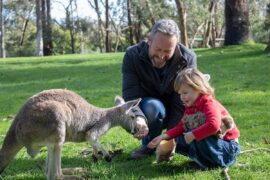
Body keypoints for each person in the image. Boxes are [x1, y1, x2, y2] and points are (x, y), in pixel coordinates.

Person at [121, 19, 197, 160]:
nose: (161, 56)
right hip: (148, 109)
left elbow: (182, 101)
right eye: (158, 49)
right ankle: (149, 145)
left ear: (176, 46)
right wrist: (139, 117)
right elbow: (130, 94)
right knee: (154, 107)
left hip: (176, 110)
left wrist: (170, 137)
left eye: (168, 51)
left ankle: (167, 145)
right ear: (149, 40)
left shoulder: (187, 59)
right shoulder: (132, 55)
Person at [147, 68, 240, 168]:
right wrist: (163, 136)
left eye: (185, 93)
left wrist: (193, 134)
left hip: (228, 146)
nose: (182, 97)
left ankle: (213, 163)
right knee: (179, 137)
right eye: (180, 94)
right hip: (216, 144)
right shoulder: (191, 106)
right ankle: (203, 160)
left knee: (195, 133)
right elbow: (182, 126)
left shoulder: (208, 103)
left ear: (198, 89)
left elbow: (214, 125)